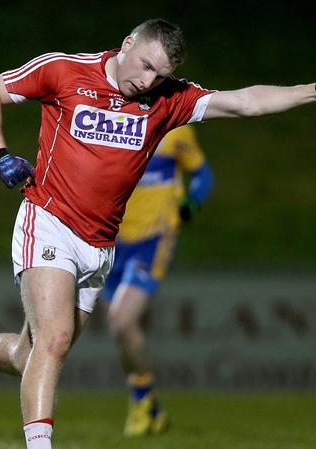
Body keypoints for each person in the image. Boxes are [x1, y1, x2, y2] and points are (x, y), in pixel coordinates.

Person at [0, 18, 316, 449]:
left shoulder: (168, 99)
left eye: (160, 74)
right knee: (55, 341)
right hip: (49, 220)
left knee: (33, 355)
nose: (148, 80)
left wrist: (315, 91)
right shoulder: (64, 69)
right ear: (127, 44)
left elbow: (244, 102)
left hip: (100, 245)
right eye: (146, 65)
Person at [101, 123, 212, 436]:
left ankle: (142, 400)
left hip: (154, 237)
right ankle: (150, 405)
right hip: (111, 238)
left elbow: (203, 174)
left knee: (122, 320)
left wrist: (193, 201)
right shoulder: (112, 124)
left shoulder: (175, 131)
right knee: (120, 330)